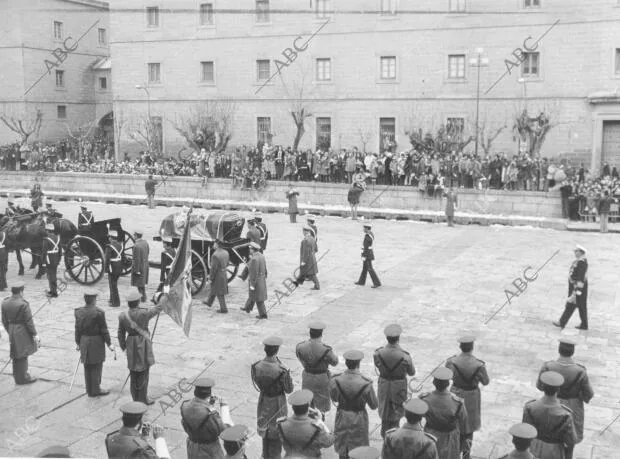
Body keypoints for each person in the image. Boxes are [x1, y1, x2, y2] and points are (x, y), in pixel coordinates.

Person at [535, 338, 594, 450]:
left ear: (559, 350)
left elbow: (539, 386)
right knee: (570, 440)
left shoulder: (548, 366)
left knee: (548, 436)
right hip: (573, 406)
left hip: (550, 402)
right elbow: (589, 394)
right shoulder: (580, 371)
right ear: (573, 352)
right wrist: (579, 397)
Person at [445, 336, 490, 459]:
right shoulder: (479, 364)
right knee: (469, 427)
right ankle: (466, 455)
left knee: (456, 425)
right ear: (472, 347)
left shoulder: (451, 361)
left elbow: (447, 376)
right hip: (472, 397)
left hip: (456, 393)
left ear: (460, 347)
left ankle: (454, 453)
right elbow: (486, 381)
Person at [329, 349, 378, 459]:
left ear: (346, 363)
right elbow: (374, 405)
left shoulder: (336, 379)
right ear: (359, 363)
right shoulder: (366, 383)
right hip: (359, 418)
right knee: (359, 450)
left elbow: (334, 398)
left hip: (342, 416)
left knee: (343, 448)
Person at [251, 336, 294, 459]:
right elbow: (289, 389)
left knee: (264, 429)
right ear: (277, 351)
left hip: (263, 400)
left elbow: (257, 383)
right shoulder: (282, 370)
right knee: (276, 432)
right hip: (277, 403)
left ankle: (265, 455)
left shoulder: (256, 366)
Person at [117, 291, 163, 405]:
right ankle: (142, 399)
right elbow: (158, 308)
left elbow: (120, 333)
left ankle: (135, 398)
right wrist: (165, 296)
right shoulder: (144, 313)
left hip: (130, 344)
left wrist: (124, 347)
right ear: (138, 302)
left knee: (133, 373)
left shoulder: (123, 315)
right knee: (143, 372)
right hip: (143, 345)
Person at [522, 371, 577, 459]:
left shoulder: (530, 407)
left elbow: (524, 433)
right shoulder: (565, 414)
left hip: (534, 447)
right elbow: (570, 442)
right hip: (555, 451)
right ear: (558, 390)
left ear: (543, 387)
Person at [374, 324, 415, 437]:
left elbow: (377, 365)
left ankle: (385, 437)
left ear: (387, 338)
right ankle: (394, 439)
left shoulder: (378, 353)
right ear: (398, 339)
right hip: (399, 387)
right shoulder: (405, 356)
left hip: (384, 385)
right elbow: (412, 372)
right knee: (396, 413)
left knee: (384, 412)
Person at [419, 367, 468, 459]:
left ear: (434, 382)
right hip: (450, 440)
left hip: (430, 437)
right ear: (448, 383)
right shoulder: (457, 402)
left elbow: (417, 417)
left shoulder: (424, 399)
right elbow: (464, 423)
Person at [74, 290, 114, 397]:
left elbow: (77, 329)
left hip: (84, 340)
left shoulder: (78, 312)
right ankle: (96, 389)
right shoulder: (99, 313)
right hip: (96, 342)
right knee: (96, 366)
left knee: (87, 366)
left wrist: (77, 342)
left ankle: (89, 389)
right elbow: (104, 330)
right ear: (94, 300)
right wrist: (109, 343)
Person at [180, 377, 233, 458]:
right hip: (209, 451)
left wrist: (209, 404)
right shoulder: (210, 414)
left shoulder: (184, 405)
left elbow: (186, 423)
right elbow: (225, 430)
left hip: (192, 446)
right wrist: (224, 406)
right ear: (209, 393)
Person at [295, 321, 339, 413]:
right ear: (321, 334)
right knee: (322, 403)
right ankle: (320, 420)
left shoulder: (300, 346)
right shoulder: (326, 349)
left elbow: (299, 357)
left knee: (307, 400)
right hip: (321, 377)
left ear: (310, 333)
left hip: (307, 376)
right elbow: (335, 362)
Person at [1, 282, 40, 384]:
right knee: (23, 353)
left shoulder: (5, 302)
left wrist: (10, 330)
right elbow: (29, 322)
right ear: (21, 292)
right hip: (22, 330)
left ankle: (17, 376)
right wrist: (34, 334)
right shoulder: (23, 304)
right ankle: (24, 377)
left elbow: (4, 320)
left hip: (12, 329)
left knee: (15, 353)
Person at [276, 389, 334, 457]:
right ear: (308, 407)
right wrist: (320, 421)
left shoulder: (281, 424)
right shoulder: (316, 428)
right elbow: (329, 442)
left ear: (292, 407)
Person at [105, 401, 170, 458]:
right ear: (140, 421)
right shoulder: (142, 449)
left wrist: (144, 436)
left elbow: (127, 447)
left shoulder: (110, 437)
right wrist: (159, 439)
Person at [553, 244, 588, 330]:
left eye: (576, 251)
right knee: (581, 306)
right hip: (576, 287)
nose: (574, 253)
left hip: (577, 288)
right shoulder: (580, 261)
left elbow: (581, 279)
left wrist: (576, 293)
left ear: (580, 252)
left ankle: (562, 322)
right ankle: (584, 325)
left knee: (571, 305)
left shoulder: (582, 263)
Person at [240, 242, 269, 319]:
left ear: (253, 250)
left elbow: (253, 273)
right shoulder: (261, 256)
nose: (249, 250)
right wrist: (265, 275)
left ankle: (263, 315)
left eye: (250, 249)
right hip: (261, 279)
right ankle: (247, 308)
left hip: (256, 281)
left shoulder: (254, 259)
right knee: (253, 295)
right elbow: (265, 267)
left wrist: (252, 284)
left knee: (259, 299)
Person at [203, 239, 229, 313]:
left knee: (219, 293)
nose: (213, 245)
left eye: (214, 244)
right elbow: (227, 264)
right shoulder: (226, 252)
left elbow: (213, 268)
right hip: (224, 273)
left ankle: (224, 309)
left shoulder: (215, 255)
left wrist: (211, 278)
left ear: (217, 245)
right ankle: (209, 302)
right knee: (214, 288)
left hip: (218, 275)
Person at [355, 223, 381, 288]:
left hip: (367, 254)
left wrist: (364, 255)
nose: (363, 229)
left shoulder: (368, 237)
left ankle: (377, 283)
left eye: (364, 228)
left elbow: (366, 247)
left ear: (367, 229)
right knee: (364, 268)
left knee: (370, 268)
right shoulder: (370, 234)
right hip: (368, 253)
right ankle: (361, 281)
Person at [41, 222, 61, 298]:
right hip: (56, 259)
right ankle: (53, 290)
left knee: (50, 276)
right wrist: (59, 260)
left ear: (47, 230)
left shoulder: (46, 239)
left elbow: (44, 252)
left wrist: (43, 262)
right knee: (54, 275)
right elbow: (60, 251)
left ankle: (54, 293)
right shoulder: (58, 238)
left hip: (49, 259)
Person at [104, 229, 123, 307]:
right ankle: (112, 299)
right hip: (119, 267)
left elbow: (107, 259)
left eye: (109, 237)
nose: (109, 238)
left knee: (113, 285)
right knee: (114, 284)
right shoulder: (120, 245)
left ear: (111, 238)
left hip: (112, 268)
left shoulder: (109, 247)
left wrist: (106, 269)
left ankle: (115, 303)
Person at [132, 229, 150, 302]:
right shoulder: (145, 243)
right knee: (142, 284)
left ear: (136, 236)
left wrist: (136, 270)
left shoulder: (136, 246)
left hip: (139, 268)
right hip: (145, 266)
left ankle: (140, 299)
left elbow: (136, 259)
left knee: (138, 284)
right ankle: (143, 298)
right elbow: (148, 252)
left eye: (134, 235)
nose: (133, 236)